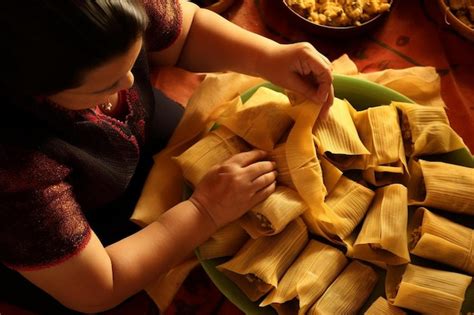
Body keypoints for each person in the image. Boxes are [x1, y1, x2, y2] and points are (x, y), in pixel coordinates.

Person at [0, 0, 334, 313]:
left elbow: (185, 36)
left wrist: (268, 58)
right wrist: (205, 211)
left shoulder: (110, 9)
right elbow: (98, 286)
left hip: (133, 135)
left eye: (134, 61)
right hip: (74, 253)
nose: (131, 81)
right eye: (108, 84)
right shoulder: (16, 170)